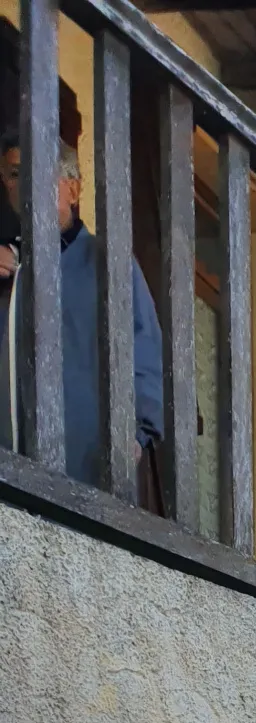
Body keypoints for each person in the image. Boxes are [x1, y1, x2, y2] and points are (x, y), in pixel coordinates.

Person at [0, 139, 164, 487]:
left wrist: (134, 438)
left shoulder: (106, 262)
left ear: (73, 190)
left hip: (87, 478)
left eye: (41, 172)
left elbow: (146, 355)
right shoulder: (9, 269)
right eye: (15, 174)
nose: (26, 184)